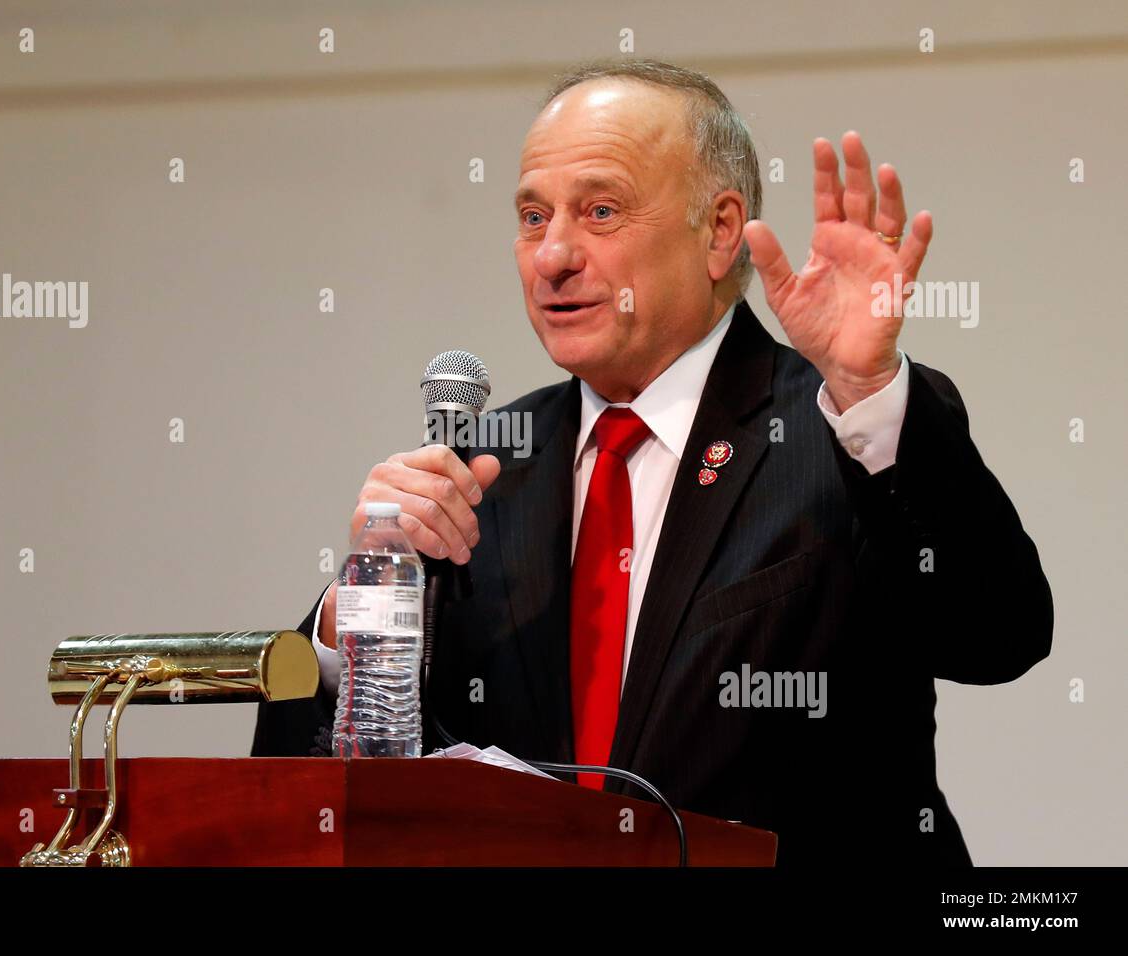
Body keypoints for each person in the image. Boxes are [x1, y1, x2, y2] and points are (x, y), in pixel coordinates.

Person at [251, 59, 1053, 866]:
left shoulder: (841, 426)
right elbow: (305, 788)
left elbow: (1001, 635)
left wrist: (871, 390)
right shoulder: (479, 472)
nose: (553, 255)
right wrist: (359, 606)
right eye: (533, 217)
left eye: (601, 210)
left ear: (719, 231)